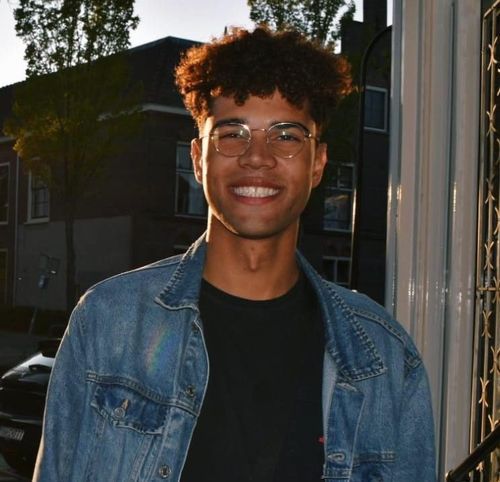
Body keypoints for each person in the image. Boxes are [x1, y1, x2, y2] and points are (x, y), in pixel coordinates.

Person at [34, 27, 436, 482]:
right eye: (232, 133)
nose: (257, 157)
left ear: (318, 164)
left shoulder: (384, 357)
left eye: (286, 136)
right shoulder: (109, 323)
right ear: (198, 159)